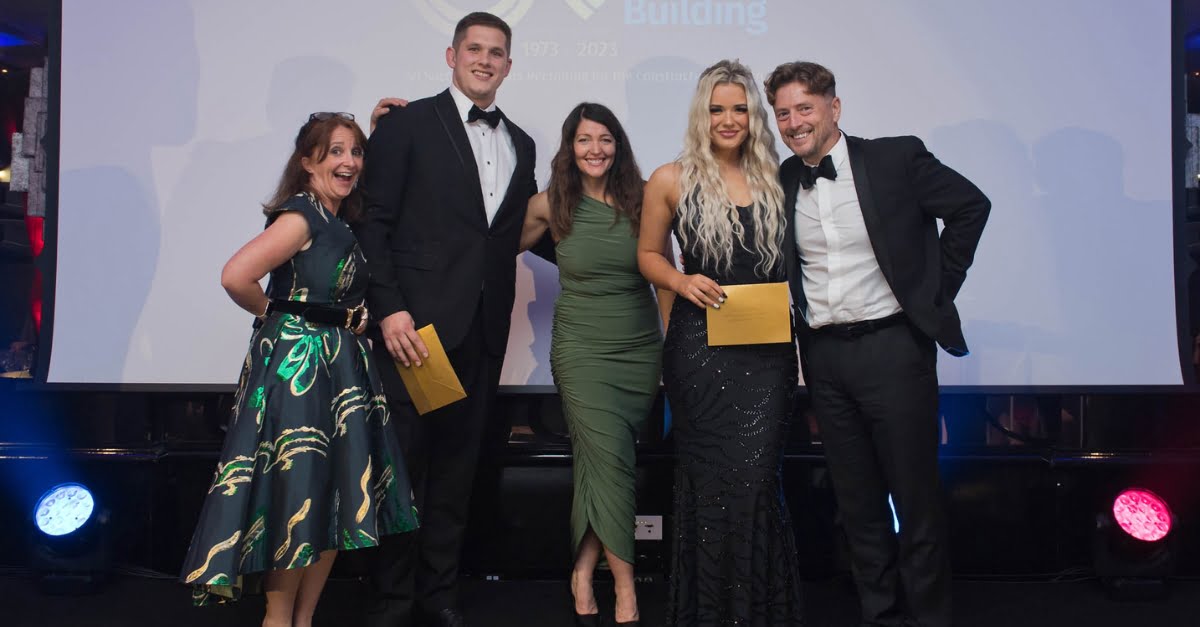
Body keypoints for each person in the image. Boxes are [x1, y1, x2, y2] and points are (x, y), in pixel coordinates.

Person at [765, 60, 990, 627]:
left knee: (915, 496)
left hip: (894, 348)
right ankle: (879, 613)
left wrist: (934, 292)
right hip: (824, 355)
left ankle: (930, 615)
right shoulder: (782, 179)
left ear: (833, 108)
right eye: (784, 112)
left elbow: (970, 207)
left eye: (805, 109)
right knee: (856, 498)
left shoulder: (894, 157)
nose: (794, 122)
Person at [179, 112, 418, 627]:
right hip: (301, 371)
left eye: (355, 152)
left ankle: (302, 620)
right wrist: (279, 316)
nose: (349, 161)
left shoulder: (339, 219)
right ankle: (279, 618)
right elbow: (236, 276)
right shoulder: (302, 216)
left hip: (343, 368)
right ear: (307, 162)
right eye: (334, 151)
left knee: (336, 497)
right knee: (301, 492)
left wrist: (382, 123)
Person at [355, 12, 539, 627]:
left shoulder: (523, 142)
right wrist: (390, 310)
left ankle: (440, 595)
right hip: (416, 331)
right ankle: (393, 599)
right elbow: (372, 224)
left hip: (482, 331)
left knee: (458, 473)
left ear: (509, 65)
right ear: (452, 55)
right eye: (474, 49)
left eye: (496, 52)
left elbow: (512, 232)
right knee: (405, 469)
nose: (485, 60)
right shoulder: (407, 125)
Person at [637, 59, 805, 626]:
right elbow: (648, 256)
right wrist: (681, 281)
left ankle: (757, 613)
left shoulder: (780, 177)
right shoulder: (671, 178)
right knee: (707, 486)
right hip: (699, 353)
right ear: (701, 114)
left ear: (754, 114)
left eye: (739, 108)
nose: (728, 119)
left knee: (757, 482)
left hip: (767, 357)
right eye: (717, 109)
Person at [520, 102, 665, 627]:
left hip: (638, 348)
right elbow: (486, 251)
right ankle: (625, 590)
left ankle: (582, 571)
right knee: (615, 466)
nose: (595, 149)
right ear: (569, 147)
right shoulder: (548, 205)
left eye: (605, 139)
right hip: (581, 351)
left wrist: (673, 348)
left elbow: (663, 274)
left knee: (599, 467)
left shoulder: (646, 198)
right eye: (584, 140)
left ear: (618, 145)